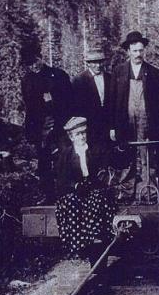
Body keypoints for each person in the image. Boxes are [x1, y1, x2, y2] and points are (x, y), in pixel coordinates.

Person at [112, 31, 159, 202]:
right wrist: (113, 127)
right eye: (134, 51)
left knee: (147, 158)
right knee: (126, 157)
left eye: (141, 50)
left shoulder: (153, 73)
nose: (138, 54)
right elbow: (111, 102)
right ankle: (126, 194)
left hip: (147, 123)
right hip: (125, 122)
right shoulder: (118, 72)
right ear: (128, 51)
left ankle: (148, 194)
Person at [54, 117, 117, 263]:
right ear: (71, 137)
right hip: (77, 190)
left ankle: (98, 240)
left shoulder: (94, 150)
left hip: (95, 187)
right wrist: (75, 186)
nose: (81, 136)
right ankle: (82, 246)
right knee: (70, 202)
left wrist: (97, 181)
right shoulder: (66, 154)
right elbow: (62, 178)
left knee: (96, 199)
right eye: (78, 134)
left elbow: (103, 171)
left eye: (83, 133)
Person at [22, 56, 72, 203]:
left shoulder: (58, 75)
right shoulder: (27, 80)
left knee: (64, 159)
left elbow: (70, 102)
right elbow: (29, 107)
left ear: (40, 58)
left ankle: (66, 193)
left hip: (60, 126)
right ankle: (48, 195)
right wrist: (32, 130)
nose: (33, 66)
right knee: (44, 162)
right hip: (40, 128)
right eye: (28, 64)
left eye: (34, 61)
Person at [71, 49, 115, 148]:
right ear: (88, 63)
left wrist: (113, 126)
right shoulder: (79, 80)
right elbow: (76, 108)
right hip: (89, 126)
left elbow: (114, 104)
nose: (98, 65)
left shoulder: (110, 78)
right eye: (94, 62)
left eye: (100, 62)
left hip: (107, 126)